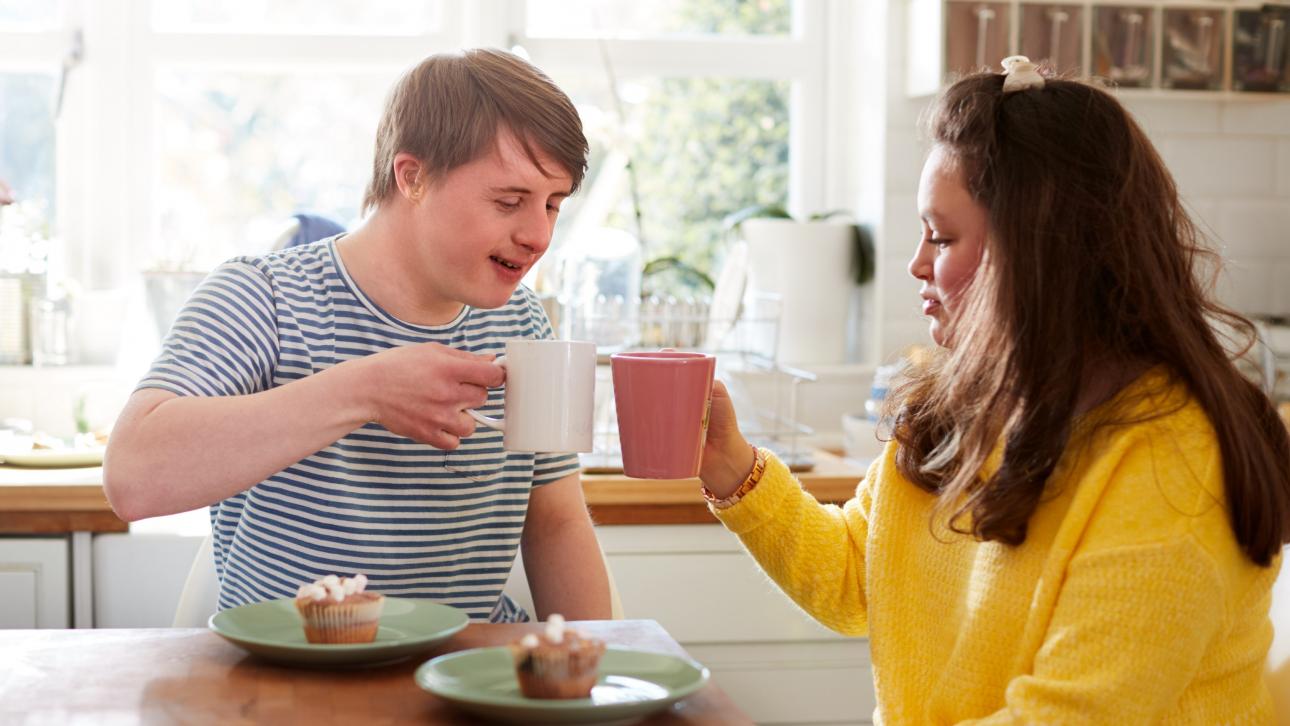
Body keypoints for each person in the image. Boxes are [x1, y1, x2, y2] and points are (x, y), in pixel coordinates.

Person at [698, 56, 1290, 722]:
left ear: (1040, 253)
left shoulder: (1173, 461)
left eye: (942, 237)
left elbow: (1069, 717)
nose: (918, 264)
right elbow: (855, 580)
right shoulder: (959, 406)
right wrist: (733, 469)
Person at [104, 49, 611, 623]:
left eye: (553, 204)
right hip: (295, 684)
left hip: (466, 676)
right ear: (412, 177)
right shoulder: (264, 297)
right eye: (509, 201)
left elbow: (557, 522)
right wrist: (365, 391)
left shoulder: (522, 322)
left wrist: (590, 675)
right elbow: (132, 479)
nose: (539, 234)